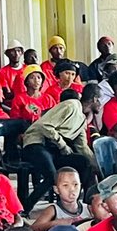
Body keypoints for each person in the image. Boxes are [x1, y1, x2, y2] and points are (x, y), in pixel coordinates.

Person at [21, 82, 101, 210]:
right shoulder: (71, 105)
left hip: (54, 149)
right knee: (52, 176)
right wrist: (63, 145)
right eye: (100, 101)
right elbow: (45, 126)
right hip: (36, 144)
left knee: (85, 163)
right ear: (95, 99)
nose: (101, 105)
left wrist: (97, 166)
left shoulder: (82, 119)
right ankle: (24, 208)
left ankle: (87, 206)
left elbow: (82, 147)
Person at [31, 166, 92, 231]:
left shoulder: (88, 209)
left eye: (75, 184)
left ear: (80, 186)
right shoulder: (54, 210)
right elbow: (34, 228)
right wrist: (55, 223)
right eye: (65, 185)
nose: (72, 189)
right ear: (56, 189)